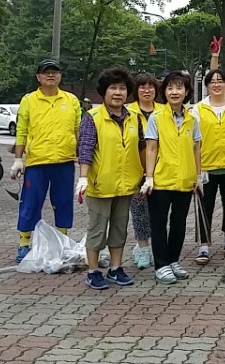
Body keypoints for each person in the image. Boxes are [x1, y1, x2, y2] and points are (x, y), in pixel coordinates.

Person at [10, 59, 82, 263]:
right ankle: (24, 243)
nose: (51, 75)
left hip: (65, 161)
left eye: (55, 72)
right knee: (30, 203)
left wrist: (82, 156)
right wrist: (17, 159)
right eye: (46, 72)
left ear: (60, 76)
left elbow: (78, 130)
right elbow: (22, 131)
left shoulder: (71, 100)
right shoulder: (29, 100)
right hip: (37, 162)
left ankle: (62, 241)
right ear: (38, 77)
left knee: (63, 203)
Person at [77, 67, 143, 290]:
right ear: (103, 92)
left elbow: (142, 148)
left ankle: (116, 268)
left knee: (119, 228)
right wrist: (83, 178)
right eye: (113, 88)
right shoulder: (92, 118)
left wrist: (145, 176)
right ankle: (93, 271)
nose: (118, 93)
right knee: (97, 229)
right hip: (100, 184)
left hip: (126, 185)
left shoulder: (134, 117)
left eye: (122, 88)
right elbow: (85, 148)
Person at [142, 71, 202, 284]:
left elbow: (196, 149)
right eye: (170, 88)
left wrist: (198, 176)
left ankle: (173, 259)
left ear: (186, 92)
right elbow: (151, 148)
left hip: (185, 181)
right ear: (164, 91)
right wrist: (149, 177)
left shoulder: (192, 119)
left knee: (179, 223)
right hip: (161, 180)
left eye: (179, 88)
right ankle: (161, 264)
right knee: (159, 224)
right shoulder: (156, 118)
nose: (174, 92)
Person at [191, 69, 225, 265]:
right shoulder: (198, 109)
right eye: (212, 82)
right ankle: (203, 246)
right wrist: (197, 171)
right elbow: (194, 142)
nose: (217, 85)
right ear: (207, 86)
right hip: (207, 166)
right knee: (204, 206)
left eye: (221, 81)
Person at [126, 73, 164, 269]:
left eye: (151, 87)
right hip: (136, 170)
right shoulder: (127, 112)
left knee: (158, 212)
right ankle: (142, 249)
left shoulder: (164, 111)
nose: (147, 90)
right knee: (139, 211)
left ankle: (158, 247)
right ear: (136, 90)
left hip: (162, 170)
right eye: (142, 87)